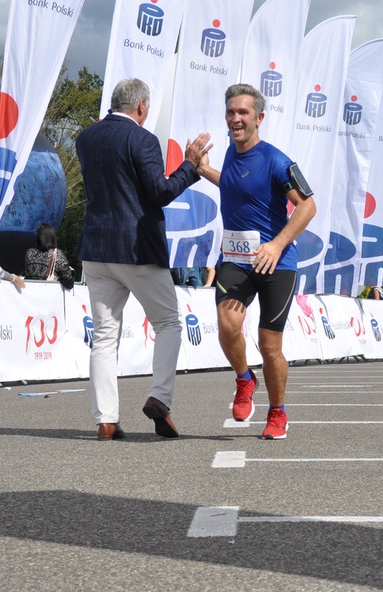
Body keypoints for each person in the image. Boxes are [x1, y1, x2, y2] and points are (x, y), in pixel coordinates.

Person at [76, 78, 211, 441]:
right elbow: (160, 192)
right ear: (141, 106)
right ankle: (160, 398)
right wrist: (190, 166)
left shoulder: (86, 138)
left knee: (104, 337)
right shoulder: (142, 139)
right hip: (136, 249)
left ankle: (106, 420)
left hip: (96, 249)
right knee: (168, 323)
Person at [196, 83, 316, 440]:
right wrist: (204, 169)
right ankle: (244, 378)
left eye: (243, 113)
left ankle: (278, 411)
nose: (236, 119)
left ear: (259, 118)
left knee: (269, 344)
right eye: (231, 112)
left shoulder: (277, 160)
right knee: (227, 323)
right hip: (236, 259)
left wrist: (276, 245)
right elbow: (237, 186)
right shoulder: (231, 153)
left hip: (277, 263)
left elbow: (308, 205)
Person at [24, 223, 75, 289]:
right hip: (47, 292)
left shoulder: (29, 252)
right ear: (52, 237)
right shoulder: (57, 254)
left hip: (29, 290)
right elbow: (69, 283)